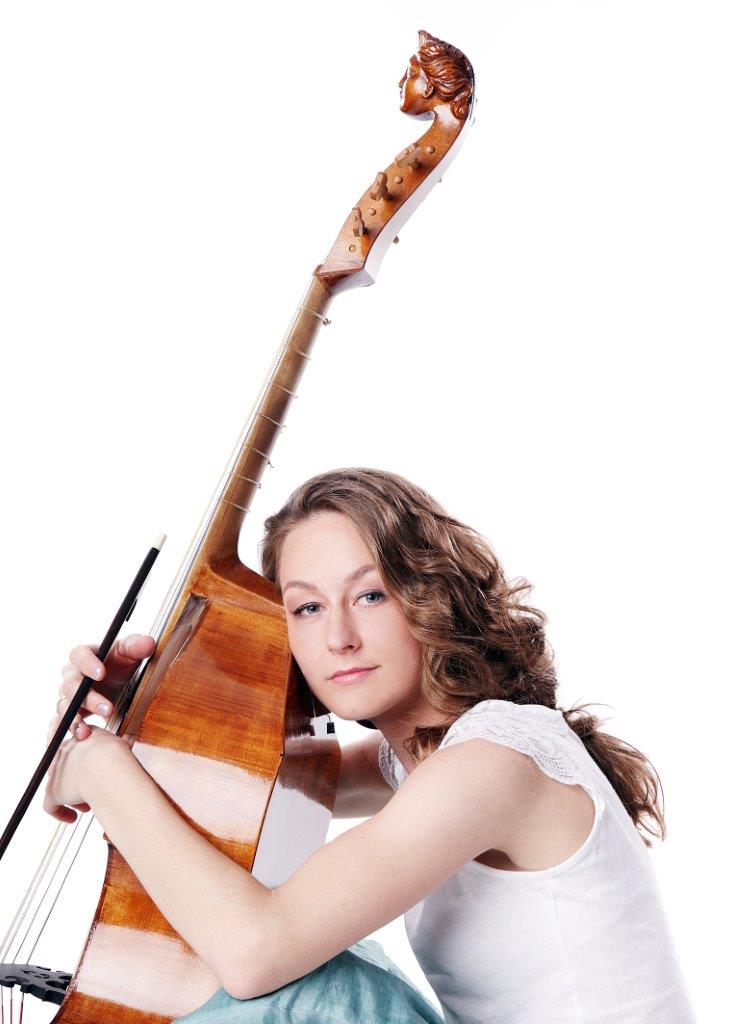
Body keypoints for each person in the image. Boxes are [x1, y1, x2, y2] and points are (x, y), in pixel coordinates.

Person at [46, 468, 698, 1023]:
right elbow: (246, 786)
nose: (339, 638)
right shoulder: (423, 756)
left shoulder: (492, 764)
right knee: (324, 963)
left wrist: (102, 768)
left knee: (314, 989)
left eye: (369, 595)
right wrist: (141, 709)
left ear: (430, 596)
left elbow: (253, 954)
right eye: (306, 608)